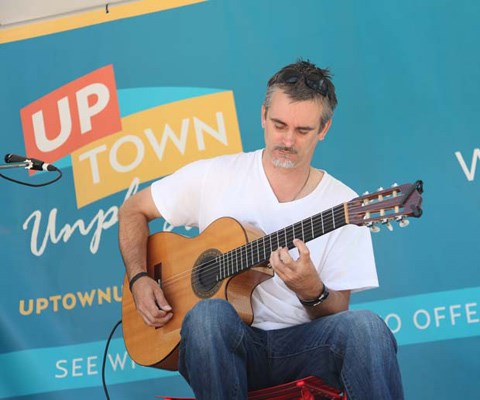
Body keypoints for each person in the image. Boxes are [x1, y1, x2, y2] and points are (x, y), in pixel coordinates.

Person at [118, 59, 404, 400]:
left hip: (302, 348)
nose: (287, 140)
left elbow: (337, 313)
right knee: (208, 315)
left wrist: (312, 291)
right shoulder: (214, 175)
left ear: (323, 129)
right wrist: (139, 278)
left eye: (302, 131)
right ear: (263, 116)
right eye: (279, 124)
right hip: (227, 348)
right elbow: (132, 210)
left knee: (366, 327)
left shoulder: (345, 205)